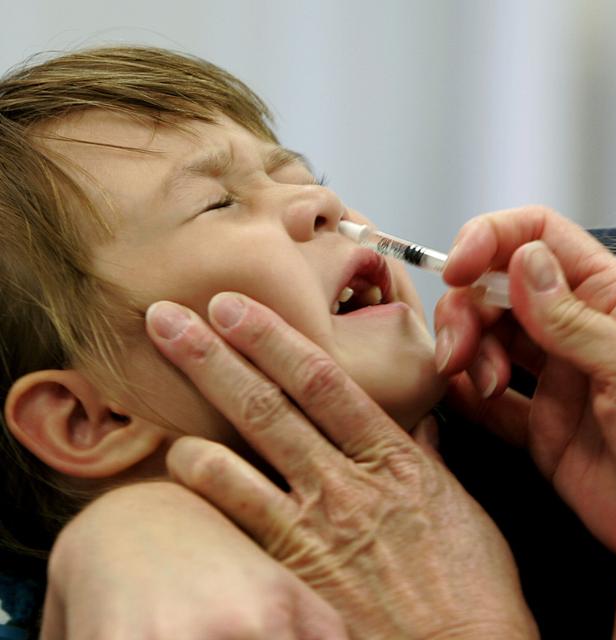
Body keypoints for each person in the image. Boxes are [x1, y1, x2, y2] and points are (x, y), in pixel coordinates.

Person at [0, 45, 538, 639]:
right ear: (86, 419)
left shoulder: (555, 413)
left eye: (303, 179)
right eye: (218, 203)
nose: (325, 203)